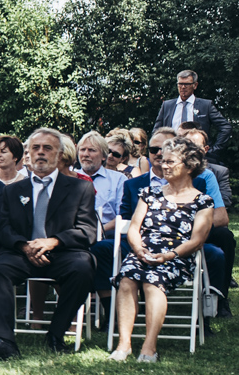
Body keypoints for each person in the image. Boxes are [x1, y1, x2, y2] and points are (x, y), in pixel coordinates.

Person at [0, 128, 99, 360]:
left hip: (62, 253)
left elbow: (88, 231)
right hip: (21, 253)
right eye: (36, 148)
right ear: (27, 154)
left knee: (84, 266)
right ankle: (3, 341)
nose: (41, 153)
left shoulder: (79, 188)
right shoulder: (12, 190)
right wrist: (25, 246)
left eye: (48, 148)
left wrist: (53, 242)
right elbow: (3, 228)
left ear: (59, 155)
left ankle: (56, 333)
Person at [93, 127, 230, 325]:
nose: (158, 154)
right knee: (102, 249)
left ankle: (205, 316)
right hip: (140, 239)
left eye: (164, 150)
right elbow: (127, 219)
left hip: (181, 241)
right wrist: (139, 247)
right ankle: (111, 313)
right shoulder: (135, 185)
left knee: (215, 254)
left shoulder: (198, 182)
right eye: (154, 149)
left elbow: (206, 219)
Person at [110, 136, 215, 362]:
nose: (162, 165)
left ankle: (149, 347)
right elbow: (134, 228)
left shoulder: (203, 201)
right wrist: (138, 250)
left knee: (152, 280)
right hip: (143, 251)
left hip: (177, 255)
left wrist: (169, 255)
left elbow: (197, 240)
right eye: (162, 161)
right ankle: (123, 344)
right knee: (127, 277)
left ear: (189, 166)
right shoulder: (149, 194)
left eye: (170, 162)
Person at [180, 125, 234, 317]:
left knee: (224, 236)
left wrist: (195, 230)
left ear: (205, 150)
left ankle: (220, 297)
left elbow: (221, 217)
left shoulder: (206, 176)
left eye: (197, 147)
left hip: (199, 230)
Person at [154, 70, 232, 156]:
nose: (183, 87)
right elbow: (157, 131)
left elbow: (225, 127)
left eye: (187, 84)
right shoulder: (167, 105)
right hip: (172, 154)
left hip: (197, 156)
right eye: (180, 84)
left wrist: (214, 150)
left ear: (195, 85)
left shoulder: (205, 105)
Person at [78, 131, 127, 240]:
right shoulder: (70, 177)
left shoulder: (118, 179)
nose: (86, 154)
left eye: (92, 150)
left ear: (104, 156)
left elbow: (122, 215)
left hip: (107, 235)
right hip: (75, 235)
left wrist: (99, 230)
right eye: (82, 150)